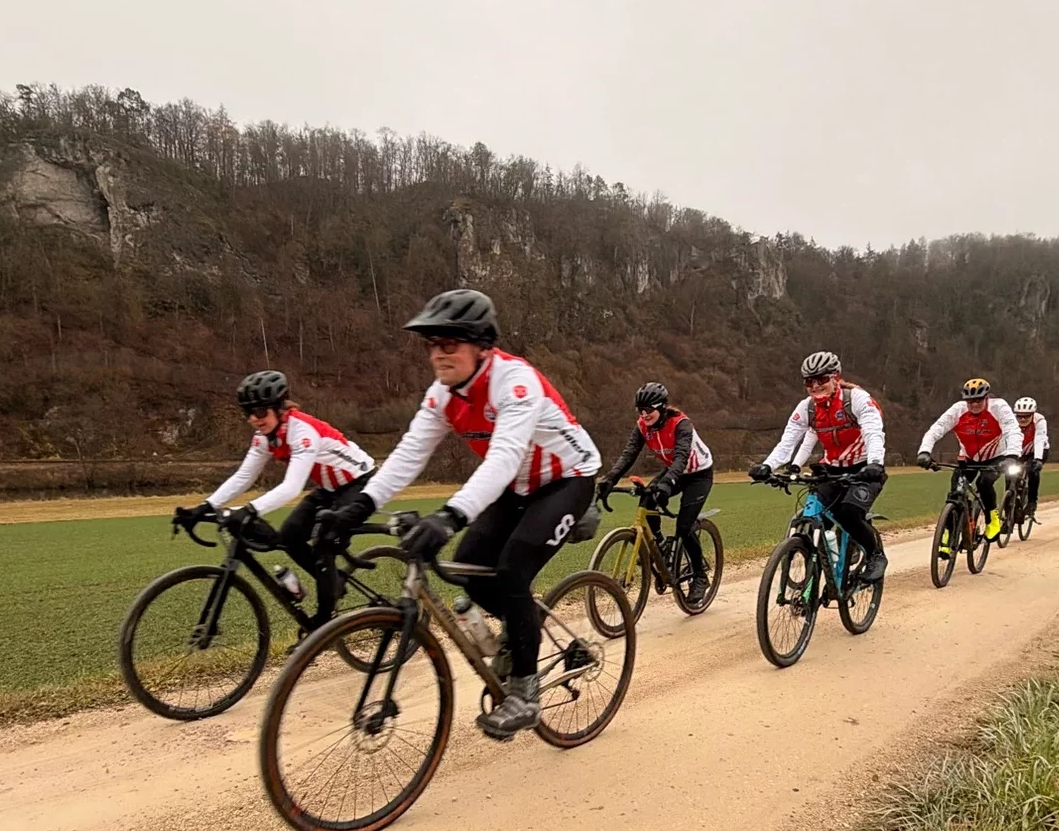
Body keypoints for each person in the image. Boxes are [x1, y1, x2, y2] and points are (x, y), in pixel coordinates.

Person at [318, 289, 600, 741]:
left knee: (512, 571)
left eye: (449, 343)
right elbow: (409, 454)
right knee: (469, 568)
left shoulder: (515, 382)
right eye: (431, 344)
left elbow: (504, 457)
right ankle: (524, 630)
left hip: (567, 479)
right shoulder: (442, 395)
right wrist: (358, 507)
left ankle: (525, 694)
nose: (438, 354)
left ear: (482, 345)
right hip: (516, 486)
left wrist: (450, 516)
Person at [176, 370, 375, 629]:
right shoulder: (265, 437)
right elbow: (244, 476)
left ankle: (325, 623)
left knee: (324, 539)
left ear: (280, 408)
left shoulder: (302, 432)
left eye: (260, 411)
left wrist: (250, 510)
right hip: (330, 488)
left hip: (360, 483)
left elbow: (292, 487)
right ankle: (334, 582)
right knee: (290, 536)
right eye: (247, 412)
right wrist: (206, 506)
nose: (253, 419)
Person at [746, 350, 889, 583]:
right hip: (831, 469)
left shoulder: (856, 399)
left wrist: (875, 463)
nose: (815, 386)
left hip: (863, 469)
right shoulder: (807, 408)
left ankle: (875, 555)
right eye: (809, 381)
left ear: (836, 377)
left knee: (849, 513)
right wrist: (768, 466)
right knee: (817, 517)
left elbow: (873, 432)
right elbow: (788, 442)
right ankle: (815, 585)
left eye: (821, 379)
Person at [596, 382, 715, 606]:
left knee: (684, 526)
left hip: (698, 474)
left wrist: (668, 483)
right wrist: (610, 478)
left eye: (648, 409)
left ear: (661, 407)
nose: (644, 415)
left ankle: (700, 575)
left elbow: (681, 457)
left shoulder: (681, 424)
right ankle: (660, 546)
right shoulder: (643, 426)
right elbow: (629, 454)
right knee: (647, 498)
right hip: (674, 471)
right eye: (640, 410)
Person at [916, 378, 1019, 541]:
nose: (974, 404)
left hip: (995, 457)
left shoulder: (998, 407)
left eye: (979, 400)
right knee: (955, 494)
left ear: (986, 398)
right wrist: (924, 451)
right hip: (968, 457)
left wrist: (1012, 456)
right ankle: (950, 532)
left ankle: (992, 519)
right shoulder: (958, 410)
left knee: (984, 483)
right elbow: (936, 429)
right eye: (970, 401)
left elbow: (1012, 430)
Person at [1014, 396, 1049, 515]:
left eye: (1027, 416)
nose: (1023, 419)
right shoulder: (1011, 421)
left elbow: (1039, 439)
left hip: (1037, 450)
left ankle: (1032, 502)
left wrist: (1038, 459)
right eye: (1019, 416)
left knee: (1033, 471)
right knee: (1010, 475)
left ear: (1033, 414)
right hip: (1020, 451)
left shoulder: (1040, 421)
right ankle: (1010, 505)